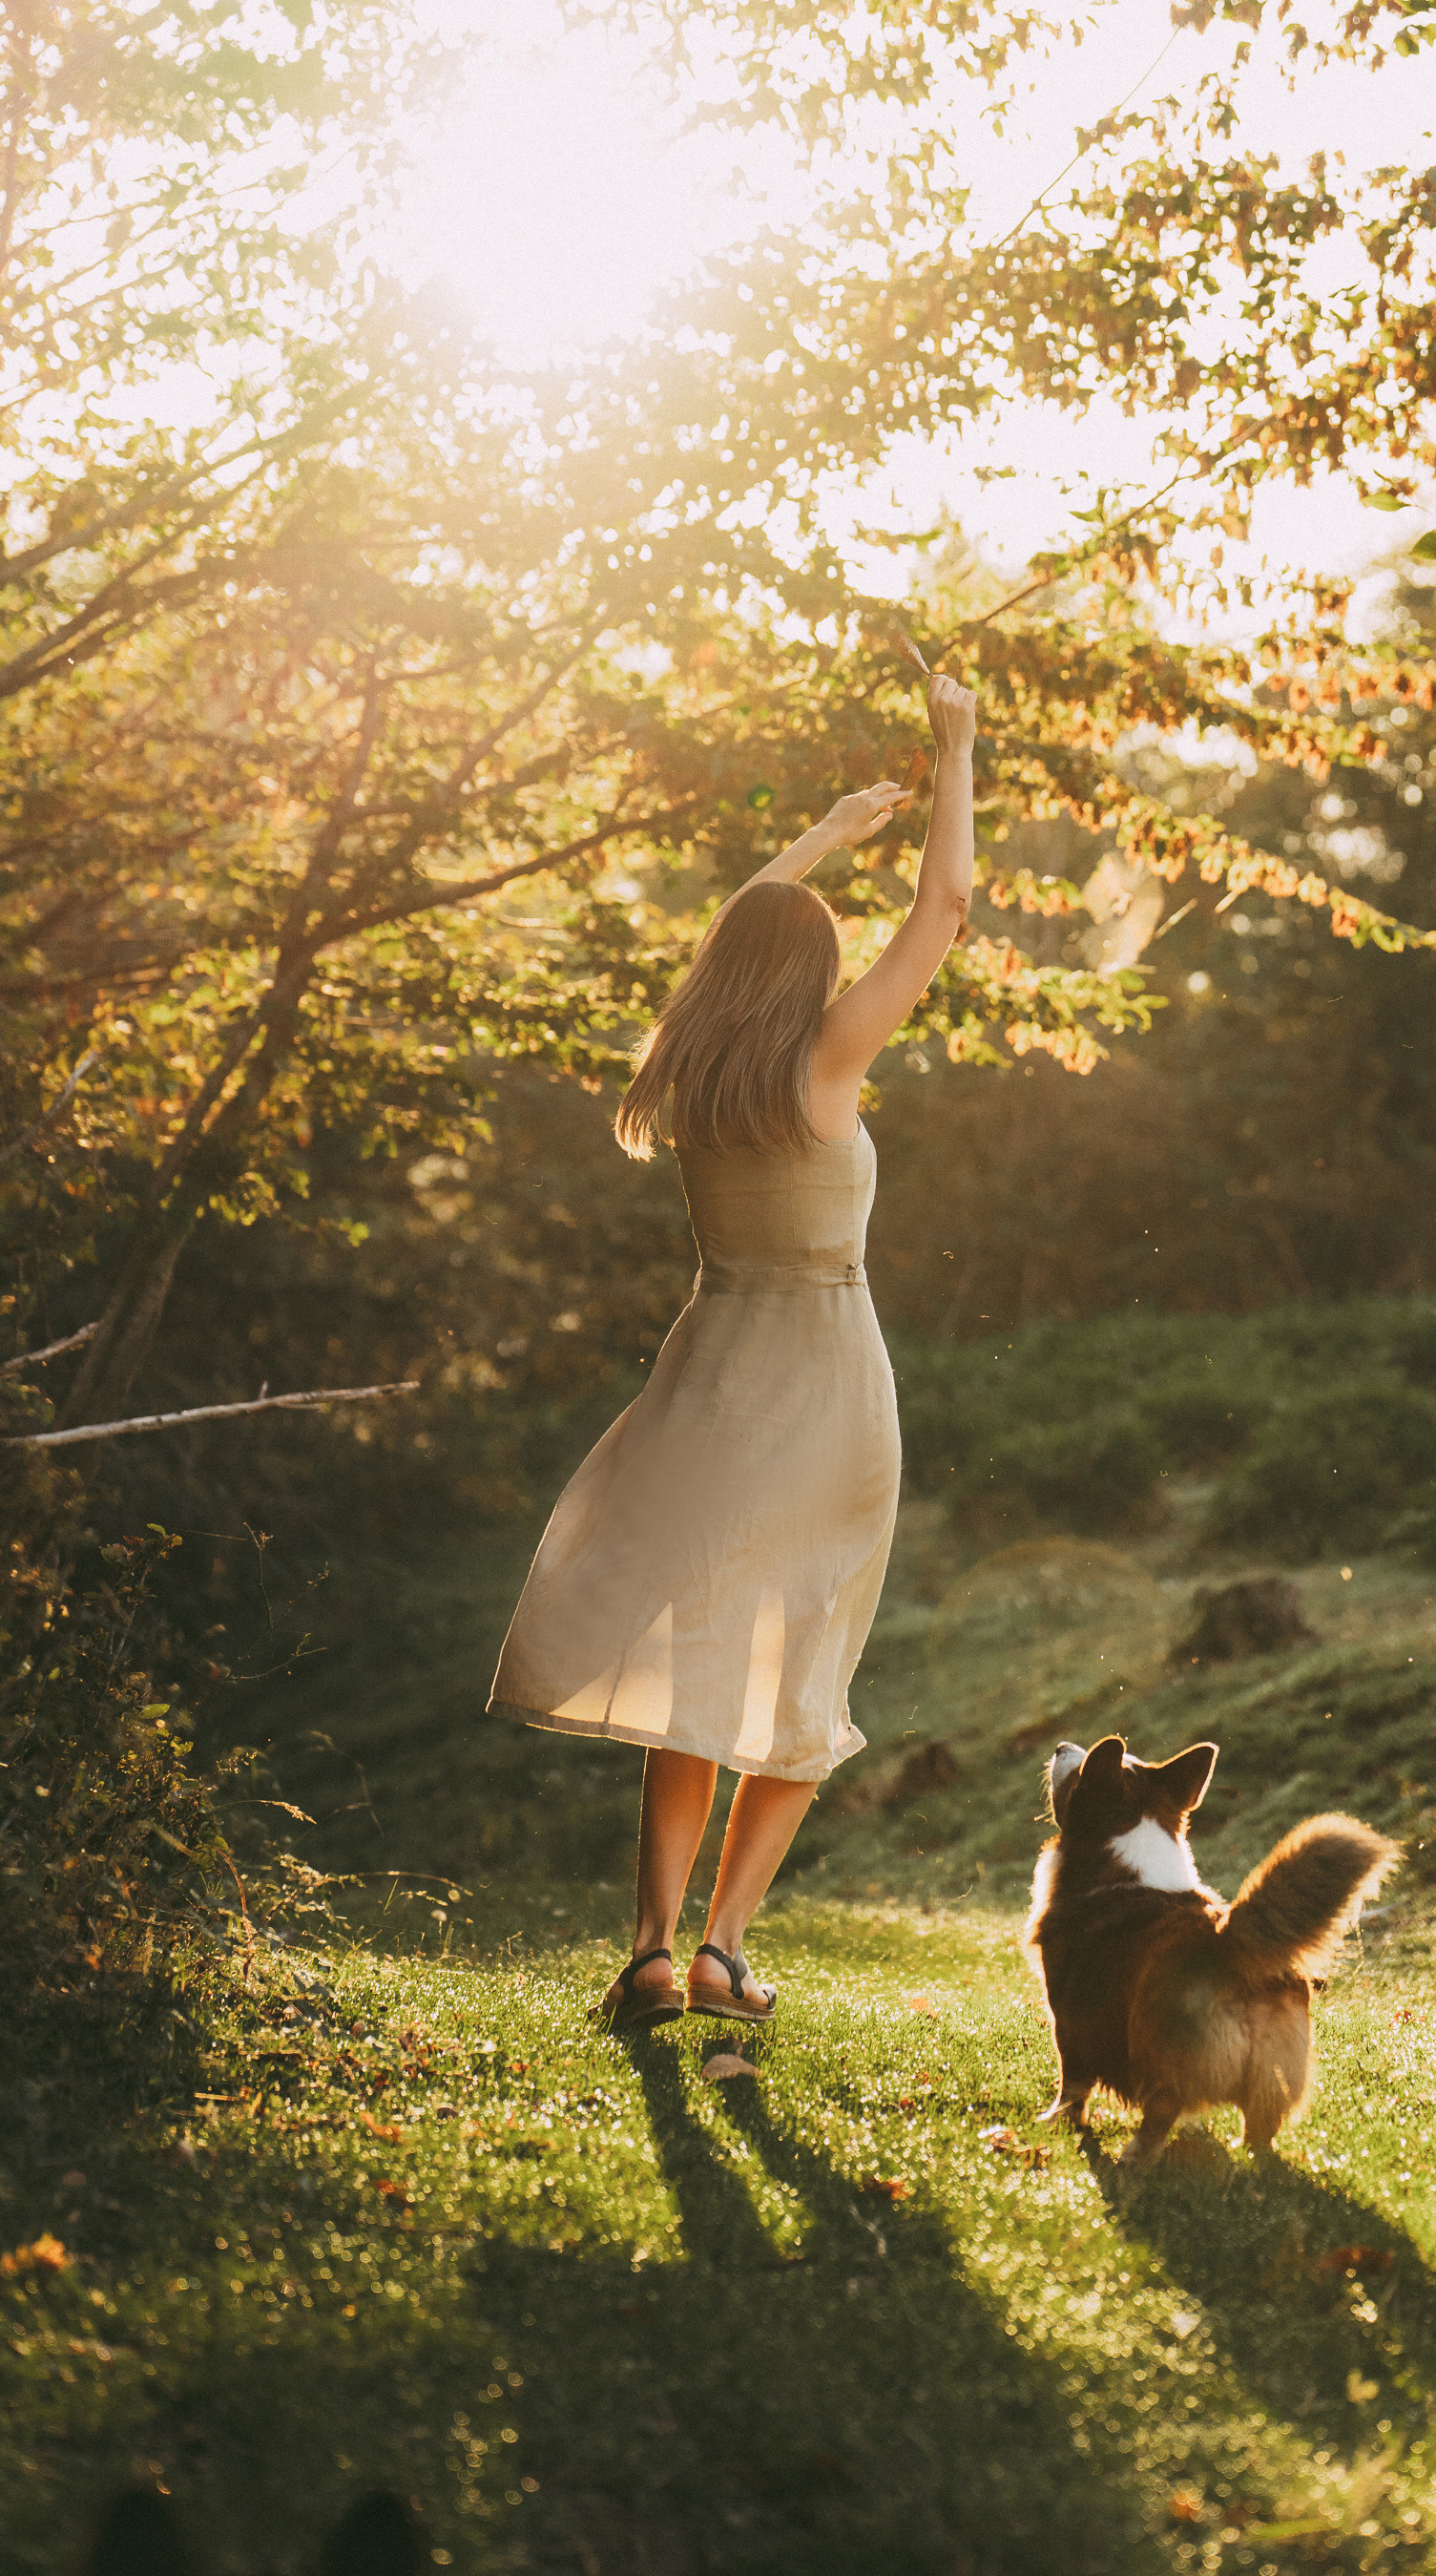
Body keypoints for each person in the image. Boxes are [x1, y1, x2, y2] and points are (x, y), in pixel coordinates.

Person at [486, 671, 977, 2024]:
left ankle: (651, 1949)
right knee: (805, 1667)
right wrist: (955, 752)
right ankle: (725, 1949)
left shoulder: (691, 1072)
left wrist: (819, 841)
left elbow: (726, 946)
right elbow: (944, 912)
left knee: (697, 1673)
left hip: (709, 1386)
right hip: (828, 1394)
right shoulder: (827, 1066)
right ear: (811, 971)